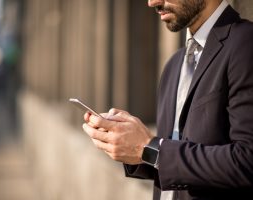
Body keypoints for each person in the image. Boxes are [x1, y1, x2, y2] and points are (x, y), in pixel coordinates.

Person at [82, 0, 253, 199]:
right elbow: (177, 165)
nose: (152, 2)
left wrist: (150, 148)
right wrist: (130, 143)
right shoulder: (174, 64)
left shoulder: (246, 43)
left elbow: (247, 161)